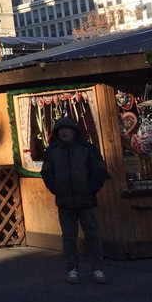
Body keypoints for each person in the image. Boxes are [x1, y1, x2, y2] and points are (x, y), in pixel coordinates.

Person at [41, 116, 109, 284]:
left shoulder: (88, 149)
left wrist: (91, 187)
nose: (64, 132)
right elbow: (46, 172)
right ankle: (72, 269)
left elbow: (100, 170)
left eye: (68, 129)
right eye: (61, 129)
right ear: (57, 133)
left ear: (74, 131)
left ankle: (97, 269)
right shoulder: (52, 151)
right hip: (65, 201)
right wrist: (55, 188)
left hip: (86, 200)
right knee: (69, 237)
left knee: (93, 236)